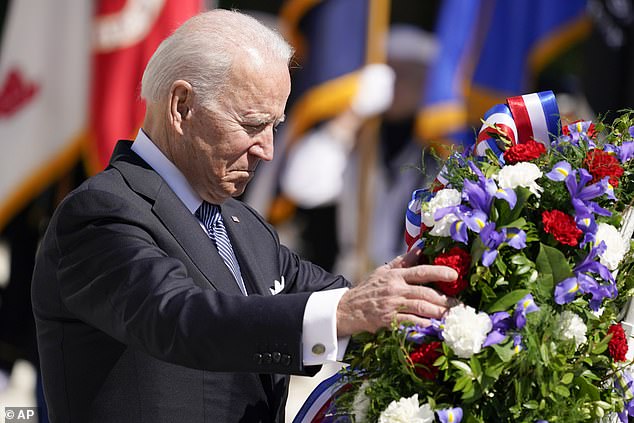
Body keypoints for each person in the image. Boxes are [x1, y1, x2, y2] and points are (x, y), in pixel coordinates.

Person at [31, 9, 457, 423]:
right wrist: (347, 310)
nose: (267, 150)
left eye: (274, 126)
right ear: (181, 106)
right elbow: (180, 317)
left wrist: (451, 293)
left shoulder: (244, 226)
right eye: (253, 125)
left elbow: (342, 300)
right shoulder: (101, 212)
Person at [278, 25, 440, 281]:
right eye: (392, 73)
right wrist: (352, 116)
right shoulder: (354, 136)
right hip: (346, 281)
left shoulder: (440, 147)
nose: (398, 84)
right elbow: (303, 187)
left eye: (411, 75)